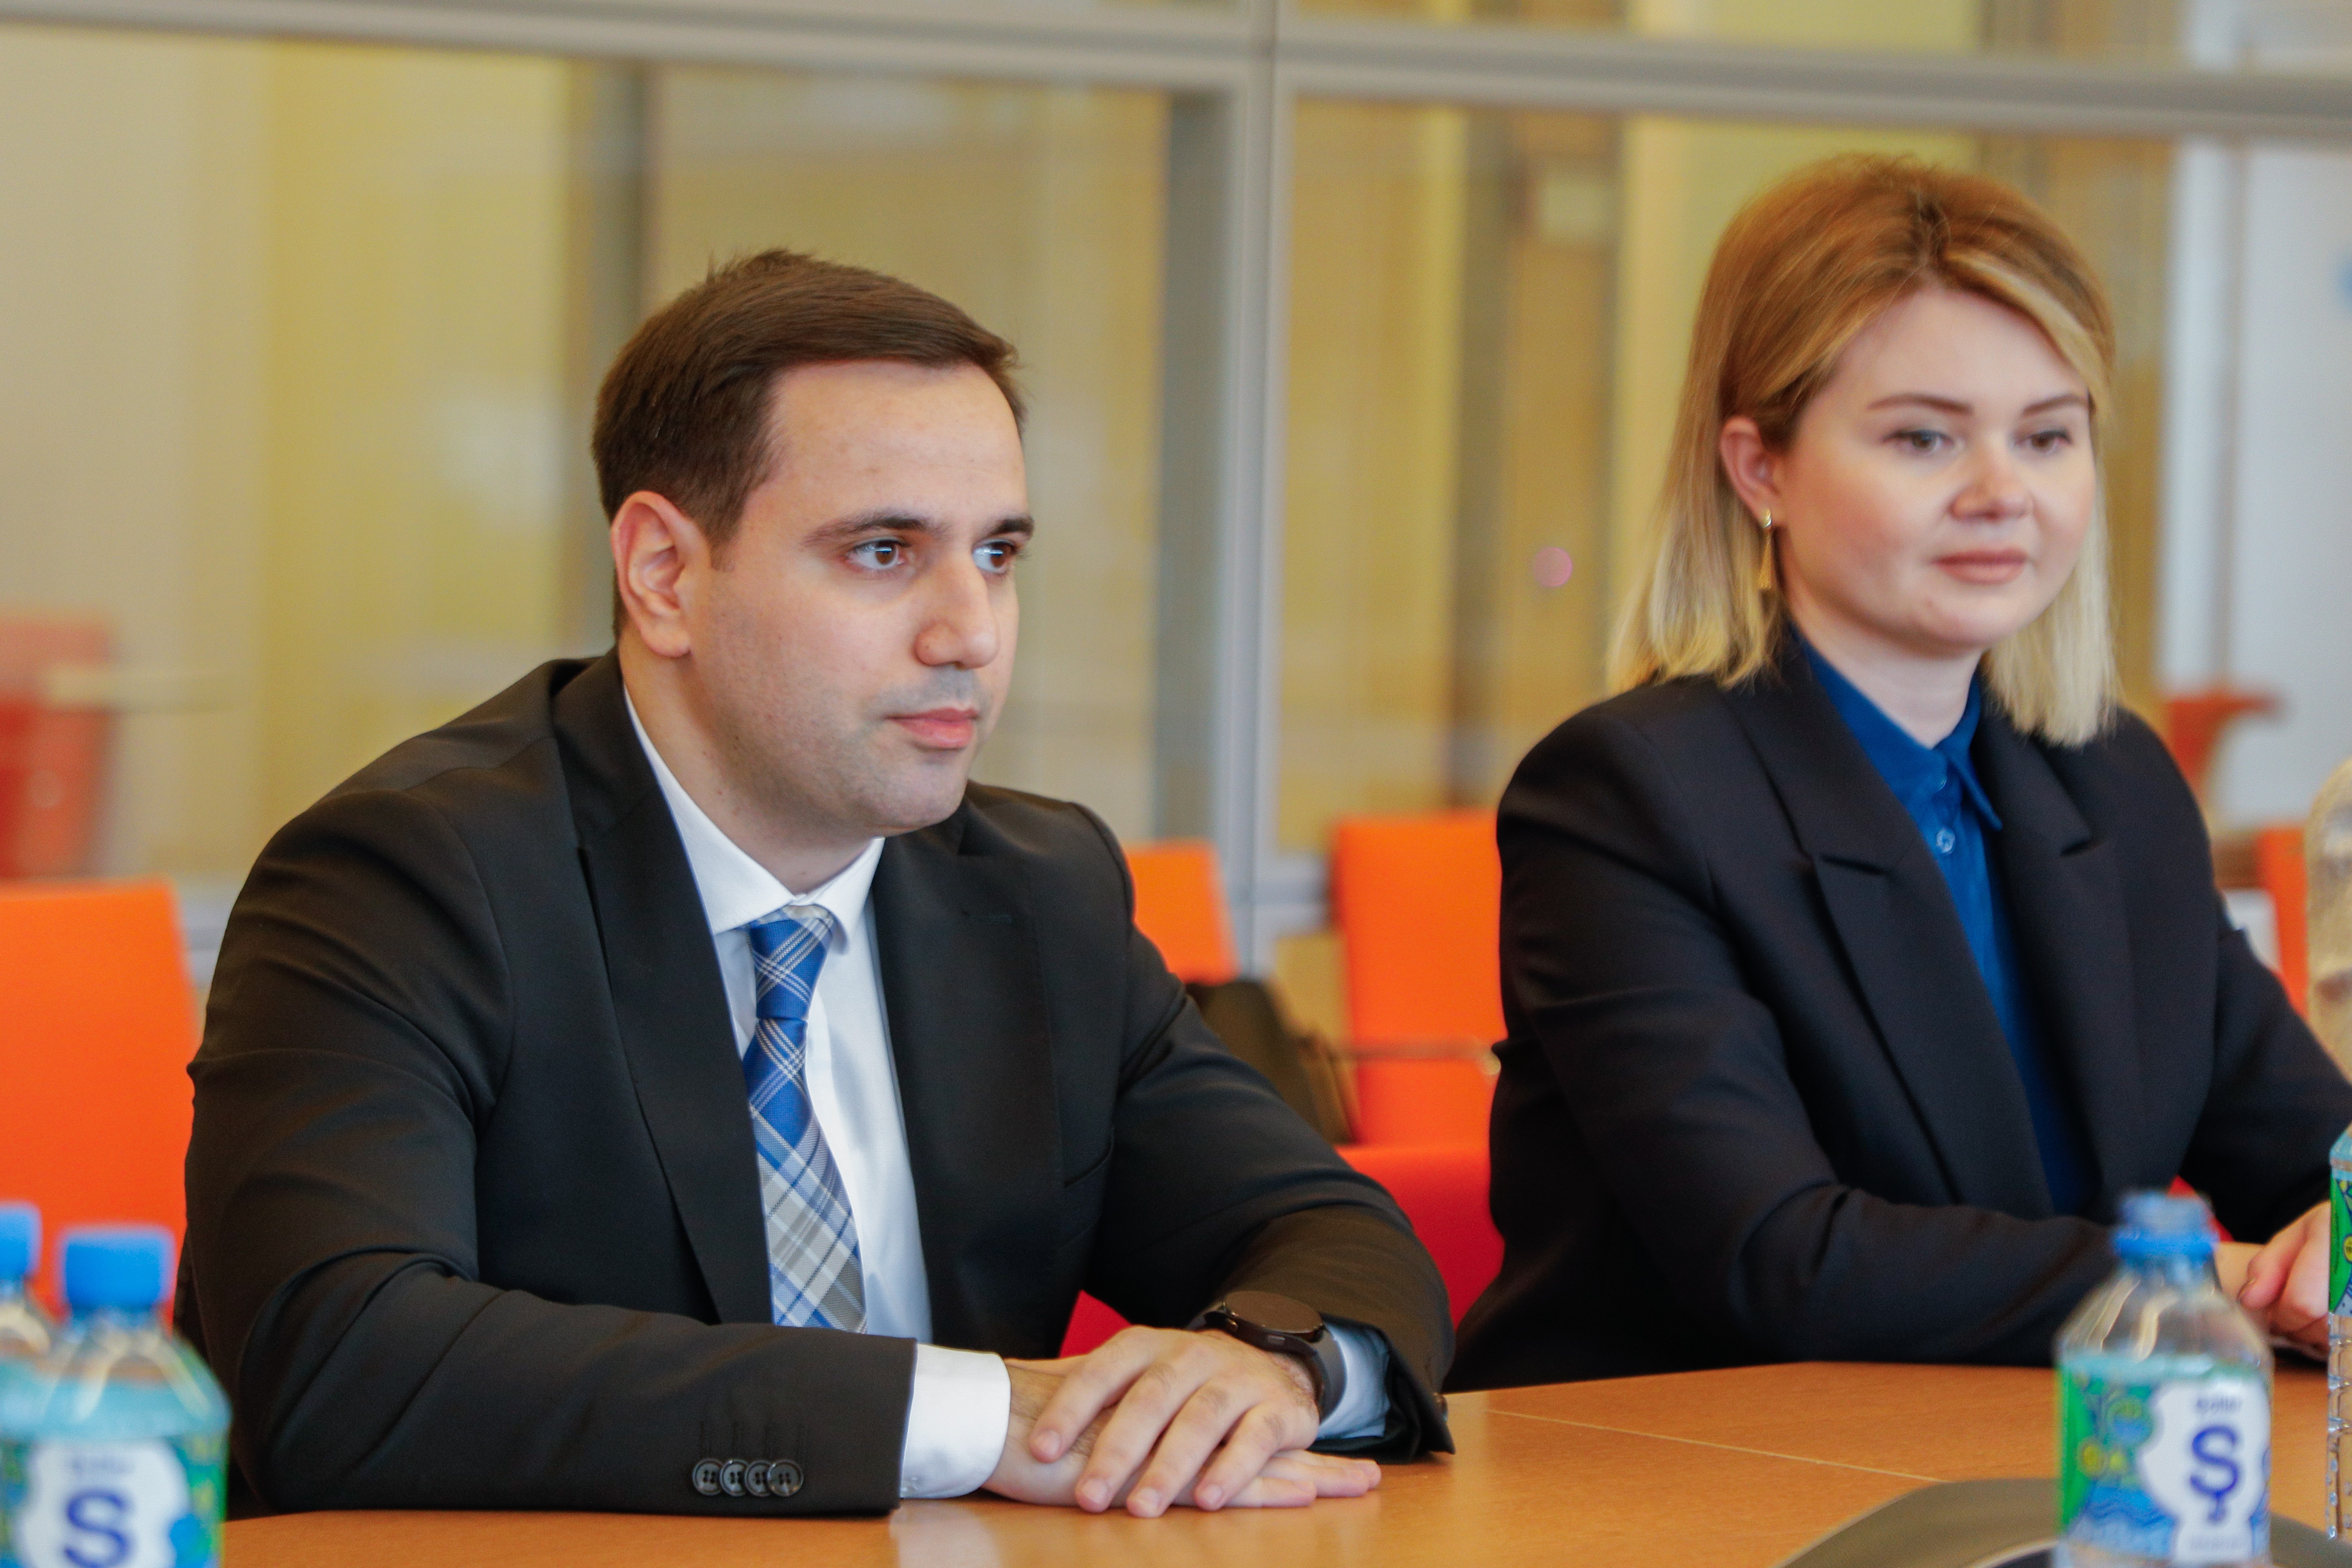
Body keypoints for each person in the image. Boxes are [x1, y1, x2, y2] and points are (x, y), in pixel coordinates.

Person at [181, 250, 1451, 1516]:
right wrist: (971, 1415)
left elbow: (1334, 1237)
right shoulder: (407, 878)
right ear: (665, 574)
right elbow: (334, 1358)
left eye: (998, 553)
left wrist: (1271, 1366)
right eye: (885, 551)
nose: (971, 632)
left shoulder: (1038, 890)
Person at [1449, 156, 2352, 1391]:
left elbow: (2314, 1156)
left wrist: (2328, 1242)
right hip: (1685, 1464)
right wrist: (2209, 1284)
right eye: (1925, 437)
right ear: (1760, 467)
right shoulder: (1630, 798)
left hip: (2032, 1454)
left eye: (2047, 435)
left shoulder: (2114, 779)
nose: (2002, 493)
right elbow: (1779, 1257)